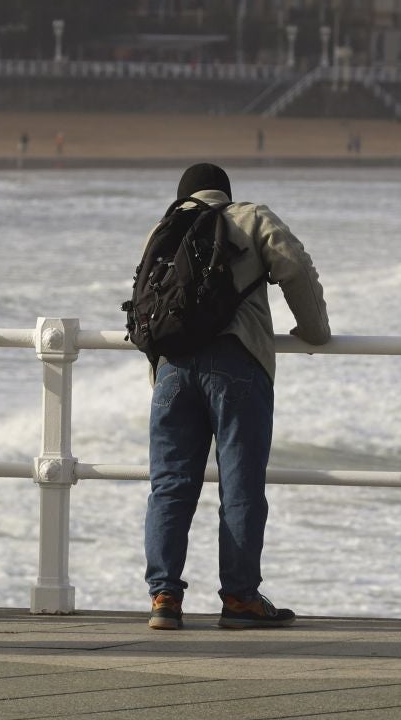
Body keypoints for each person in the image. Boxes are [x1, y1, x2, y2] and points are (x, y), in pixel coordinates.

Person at [137, 163, 331, 631]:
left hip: (172, 370)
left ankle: (164, 597)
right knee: (240, 487)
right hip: (237, 364)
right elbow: (296, 268)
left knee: (170, 485)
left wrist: (159, 373)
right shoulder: (250, 217)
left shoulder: (162, 229)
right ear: (224, 193)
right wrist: (314, 332)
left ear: (185, 195)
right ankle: (240, 598)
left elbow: (149, 304)